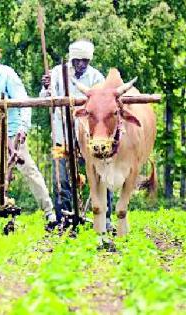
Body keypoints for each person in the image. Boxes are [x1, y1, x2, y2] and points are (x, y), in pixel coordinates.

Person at [0, 41, 56, 223]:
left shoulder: (8, 74)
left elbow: (23, 102)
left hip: (12, 133)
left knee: (29, 171)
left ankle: (49, 212)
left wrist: (23, 128)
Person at [41, 39, 113, 229]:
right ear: (71, 59)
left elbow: (104, 105)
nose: (81, 64)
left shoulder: (97, 78)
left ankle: (106, 218)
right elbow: (45, 99)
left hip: (90, 137)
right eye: (78, 60)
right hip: (62, 135)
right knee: (61, 179)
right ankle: (63, 218)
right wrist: (47, 87)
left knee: (100, 174)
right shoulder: (57, 73)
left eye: (85, 61)